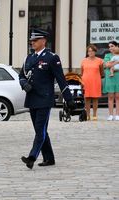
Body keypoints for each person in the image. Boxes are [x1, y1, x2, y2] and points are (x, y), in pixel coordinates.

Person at [19, 29, 75, 169]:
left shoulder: (52, 57)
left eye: (35, 40)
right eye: (31, 41)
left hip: (45, 99)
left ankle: (32, 157)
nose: (32, 43)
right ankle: (49, 158)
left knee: (40, 129)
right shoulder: (29, 58)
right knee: (41, 130)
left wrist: (69, 99)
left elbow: (61, 79)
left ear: (43, 41)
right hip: (32, 98)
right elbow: (21, 76)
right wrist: (24, 84)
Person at [80, 44, 104, 121]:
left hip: (96, 81)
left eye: (92, 51)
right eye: (89, 51)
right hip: (86, 81)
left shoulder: (99, 61)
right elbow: (82, 72)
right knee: (86, 98)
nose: (90, 53)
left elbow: (101, 72)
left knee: (95, 98)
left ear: (95, 52)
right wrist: (81, 82)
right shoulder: (83, 60)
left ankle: (94, 114)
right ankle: (87, 115)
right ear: (87, 52)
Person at [103, 41, 119, 121]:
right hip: (110, 77)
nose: (110, 48)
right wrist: (117, 62)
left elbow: (110, 64)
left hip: (118, 77)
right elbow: (107, 65)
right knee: (110, 96)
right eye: (109, 47)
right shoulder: (107, 55)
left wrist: (112, 63)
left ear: (117, 46)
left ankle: (117, 114)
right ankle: (110, 114)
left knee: (118, 97)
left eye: (112, 46)